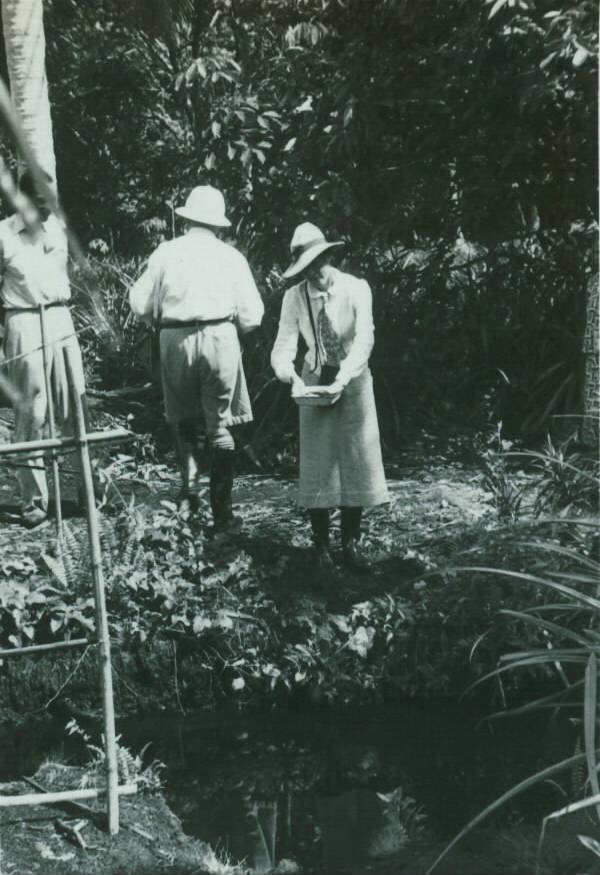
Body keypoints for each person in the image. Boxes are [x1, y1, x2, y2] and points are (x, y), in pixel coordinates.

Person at [129, 185, 264, 530]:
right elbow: (253, 316)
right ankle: (222, 513)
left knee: (184, 420)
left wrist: (161, 323)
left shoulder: (166, 252)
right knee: (220, 426)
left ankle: (189, 497)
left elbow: (140, 303)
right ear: (218, 223)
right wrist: (230, 332)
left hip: (175, 337)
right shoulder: (231, 257)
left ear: (188, 219)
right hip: (220, 336)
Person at [271, 222, 388, 571]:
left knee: (356, 458)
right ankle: (321, 546)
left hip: (353, 374)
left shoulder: (356, 288)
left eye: (318, 263)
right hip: (314, 378)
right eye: (306, 268)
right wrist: (290, 376)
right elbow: (283, 345)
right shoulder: (294, 297)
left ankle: (351, 543)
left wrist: (344, 377)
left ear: (329, 257)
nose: (314, 273)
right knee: (317, 463)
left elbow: (365, 338)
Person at [0, 170, 87, 527]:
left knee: (76, 403)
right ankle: (34, 502)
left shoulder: (58, 229)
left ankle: (89, 490)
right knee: (31, 412)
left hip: (60, 318)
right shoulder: (4, 234)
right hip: (22, 319)